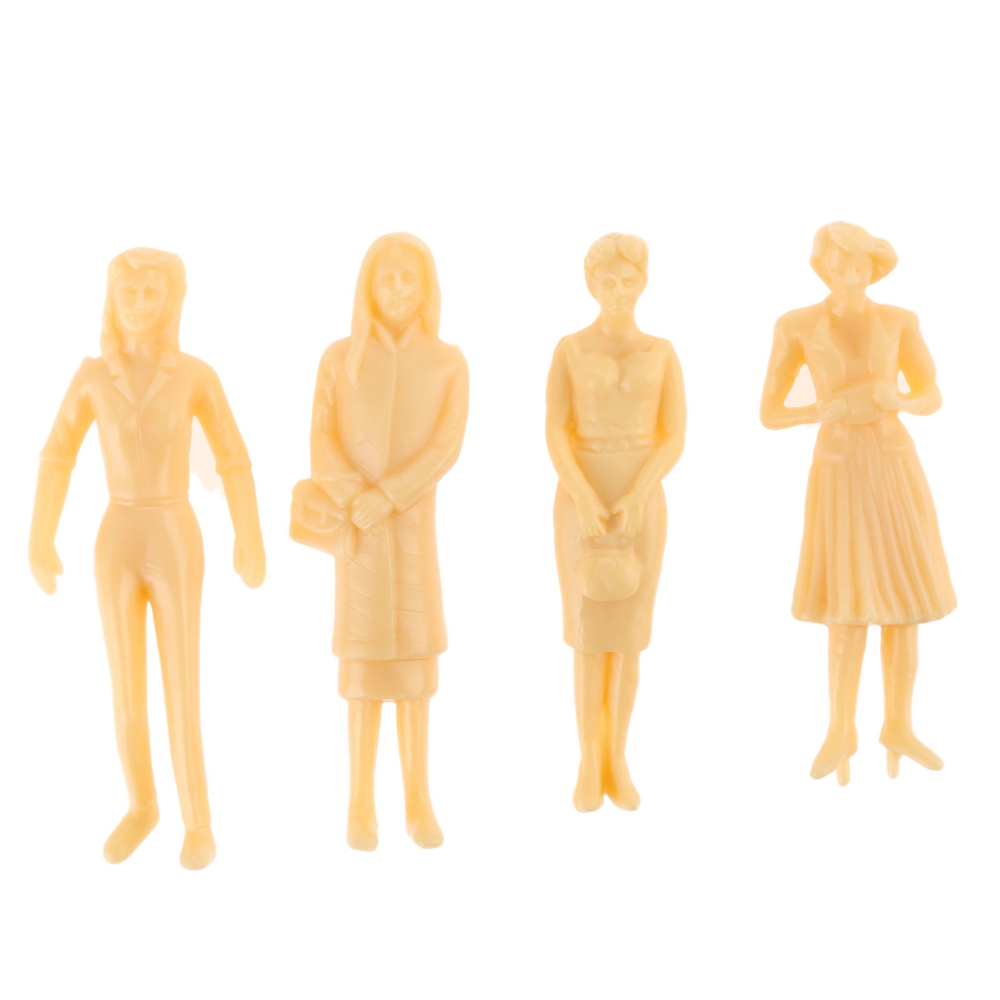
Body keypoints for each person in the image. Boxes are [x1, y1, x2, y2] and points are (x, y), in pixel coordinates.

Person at [29, 247, 266, 869]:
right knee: (126, 686)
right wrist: (40, 535)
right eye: (128, 293)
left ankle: (198, 822)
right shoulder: (90, 377)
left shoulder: (195, 376)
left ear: (171, 302)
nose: (138, 304)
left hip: (173, 532)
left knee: (181, 681)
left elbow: (232, 457)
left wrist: (249, 534)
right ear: (111, 298)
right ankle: (141, 805)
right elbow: (57, 454)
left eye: (151, 293)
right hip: (116, 535)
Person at [760, 222, 955, 785]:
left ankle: (899, 724)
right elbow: (769, 412)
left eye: (860, 264)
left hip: (893, 462)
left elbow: (932, 393)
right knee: (846, 601)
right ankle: (840, 728)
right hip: (839, 466)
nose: (850, 274)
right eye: (839, 265)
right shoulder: (796, 325)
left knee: (905, 601)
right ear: (822, 268)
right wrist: (817, 411)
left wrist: (901, 399)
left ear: (874, 267)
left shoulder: (900, 320)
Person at [291, 233, 468, 850]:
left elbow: (445, 447)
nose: (396, 289)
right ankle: (360, 802)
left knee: (415, 670)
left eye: (407, 278)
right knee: (363, 673)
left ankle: (418, 798)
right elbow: (321, 440)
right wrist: (352, 497)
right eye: (386, 278)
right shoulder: (338, 360)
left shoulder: (448, 364)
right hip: (358, 538)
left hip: (412, 533)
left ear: (426, 288)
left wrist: (389, 495)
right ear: (367, 285)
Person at [546, 233, 686, 812]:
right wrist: (582, 495)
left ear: (644, 282)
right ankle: (588, 758)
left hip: (641, 497)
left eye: (629, 281)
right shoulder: (570, 349)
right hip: (583, 494)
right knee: (587, 635)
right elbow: (555, 429)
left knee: (628, 638)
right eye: (608, 281)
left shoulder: (662, 352)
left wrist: (641, 490)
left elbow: (674, 434)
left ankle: (618, 757)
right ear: (590, 283)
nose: (619, 291)